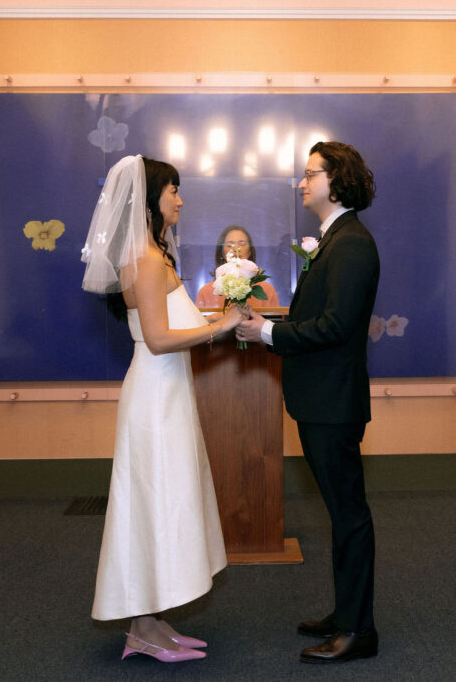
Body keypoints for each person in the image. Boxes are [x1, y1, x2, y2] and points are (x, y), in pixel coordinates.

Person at [81, 155, 245, 663]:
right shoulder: (147, 260)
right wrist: (222, 326)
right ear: (152, 197)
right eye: (174, 190)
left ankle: (151, 623)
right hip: (155, 398)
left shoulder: (153, 254)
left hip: (168, 395)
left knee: (159, 502)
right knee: (153, 505)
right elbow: (156, 339)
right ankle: (142, 629)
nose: (180, 199)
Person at [236, 141, 380, 664]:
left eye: (309, 173)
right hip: (320, 399)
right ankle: (346, 616)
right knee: (340, 515)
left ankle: (359, 631)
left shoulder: (352, 245)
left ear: (336, 180)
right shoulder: (335, 240)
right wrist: (270, 328)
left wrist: (270, 336)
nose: (301, 182)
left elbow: (338, 326)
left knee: (349, 516)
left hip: (332, 402)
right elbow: (319, 319)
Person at [195, 224, 280, 308]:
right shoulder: (206, 291)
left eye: (242, 244)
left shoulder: (266, 290)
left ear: (250, 252)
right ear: (222, 253)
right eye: (229, 245)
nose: (236, 249)